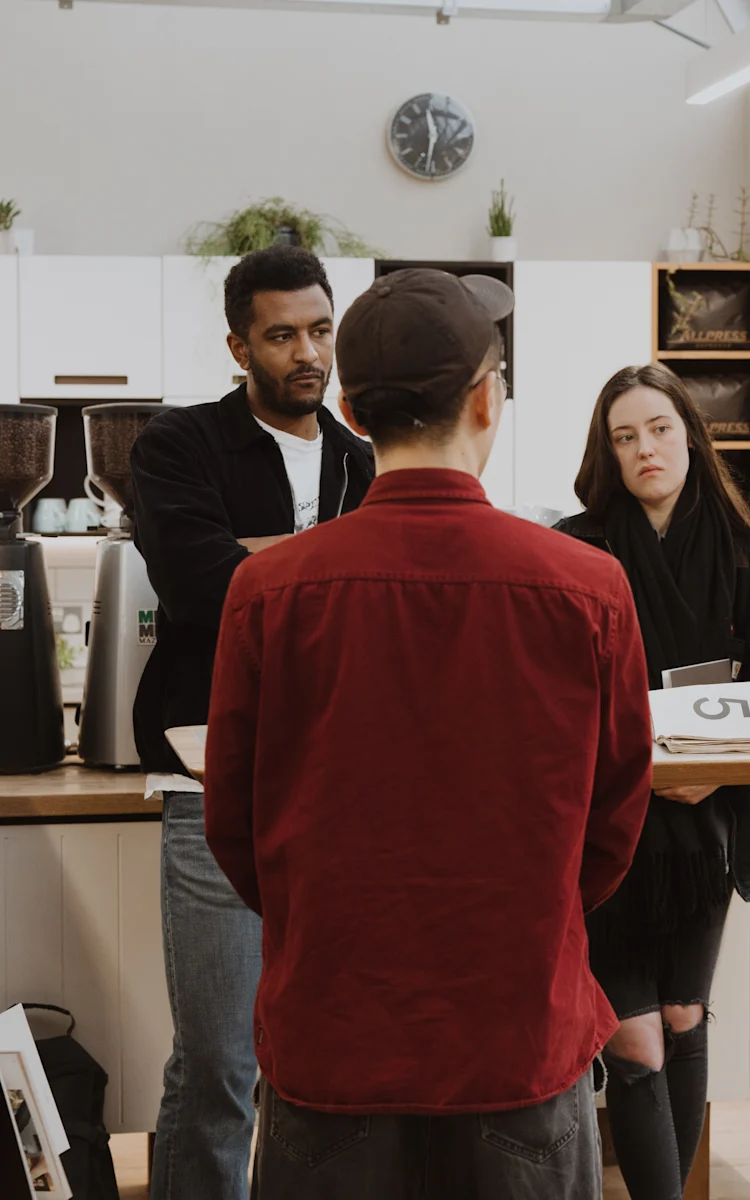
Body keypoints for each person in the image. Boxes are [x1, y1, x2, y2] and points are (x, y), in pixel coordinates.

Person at [202, 268, 655, 1200]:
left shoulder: (269, 591)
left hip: (334, 1038)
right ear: (487, 400)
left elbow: (235, 825)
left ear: (356, 415)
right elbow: (614, 819)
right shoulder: (588, 587)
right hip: (517, 1032)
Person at [129, 245, 375, 1200]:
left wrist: (265, 557)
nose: (307, 353)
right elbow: (199, 582)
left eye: (320, 330)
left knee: (325, 1058)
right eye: (281, 336)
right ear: (239, 345)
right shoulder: (179, 443)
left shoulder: (363, 458)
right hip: (212, 779)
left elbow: (368, 594)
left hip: (341, 785)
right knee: (222, 1063)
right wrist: (328, 562)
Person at [554, 363, 750, 1200]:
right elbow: (548, 692)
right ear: (609, 453)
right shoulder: (576, 548)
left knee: (682, 1019)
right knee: (632, 1039)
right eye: (625, 437)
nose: (645, 449)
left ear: (691, 439)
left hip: (707, 835)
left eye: (659, 429)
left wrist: (714, 771)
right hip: (610, 834)